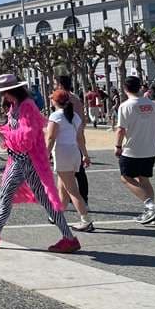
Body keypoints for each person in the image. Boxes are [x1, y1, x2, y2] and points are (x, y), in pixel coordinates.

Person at [0, 74, 81, 253]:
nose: (3, 96)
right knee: (42, 199)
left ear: (10, 91)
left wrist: (0, 134)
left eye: (4, 92)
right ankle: (68, 237)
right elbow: (14, 129)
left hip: (24, 159)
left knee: (7, 193)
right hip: (21, 158)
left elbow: (27, 135)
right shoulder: (17, 105)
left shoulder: (26, 106)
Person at [116, 76, 155, 224]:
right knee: (144, 179)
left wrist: (117, 146)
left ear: (125, 88)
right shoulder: (151, 104)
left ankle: (150, 205)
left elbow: (120, 129)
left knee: (125, 178)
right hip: (149, 148)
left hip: (132, 149)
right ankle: (151, 214)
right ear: (139, 88)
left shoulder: (125, 106)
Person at [46, 89, 93, 232]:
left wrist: (45, 155)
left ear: (54, 101)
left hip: (63, 153)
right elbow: (80, 138)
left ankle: (86, 220)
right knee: (63, 188)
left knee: (72, 190)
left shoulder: (55, 116)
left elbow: (51, 138)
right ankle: (57, 214)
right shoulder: (75, 117)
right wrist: (85, 154)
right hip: (73, 153)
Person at [55, 74, 89, 206]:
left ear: (60, 85)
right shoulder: (75, 98)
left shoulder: (64, 99)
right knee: (75, 172)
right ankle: (71, 199)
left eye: (55, 83)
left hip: (68, 141)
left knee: (73, 172)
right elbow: (82, 121)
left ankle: (79, 201)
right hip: (76, 138)